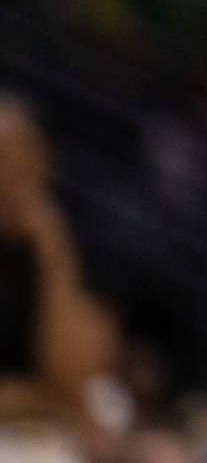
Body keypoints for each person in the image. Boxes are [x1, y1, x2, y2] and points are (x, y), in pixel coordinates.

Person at [0, 96, 119, 463]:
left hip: (48, 427)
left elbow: (77, 378)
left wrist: (54, 257)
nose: (6, 178)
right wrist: (47, 401)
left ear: (44, 160)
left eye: (14, 160)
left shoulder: (77, 237)